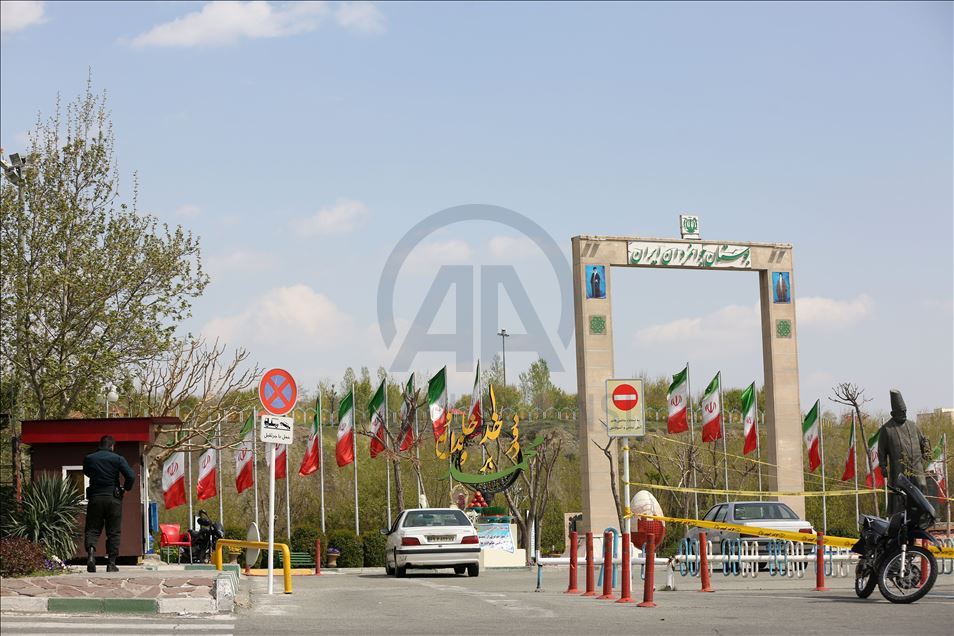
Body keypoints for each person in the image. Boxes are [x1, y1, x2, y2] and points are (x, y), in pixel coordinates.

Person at [82, 435, 136, 572]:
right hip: (113, 498)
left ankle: (91, 554)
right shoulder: (118, 458)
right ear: (112, 446)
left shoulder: (89, 458)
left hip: (95, 497)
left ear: (100, 444)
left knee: (92, 529)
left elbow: (87, 472)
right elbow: (131, 476)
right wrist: (126, 489)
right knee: (113, 532)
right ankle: (111, 563)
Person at [877, 390, 932, 514]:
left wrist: (927, 450)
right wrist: (883, 466)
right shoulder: (887, 429)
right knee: (899, 495)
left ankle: (923, 516)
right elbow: (881, 450)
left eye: (905, 411)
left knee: (921, 487)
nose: (904, 414)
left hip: (916, 467)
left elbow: (923, 441)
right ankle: (899, 518)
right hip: (898, 468)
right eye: (901, 412)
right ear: (893, 413)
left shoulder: (913, 425)